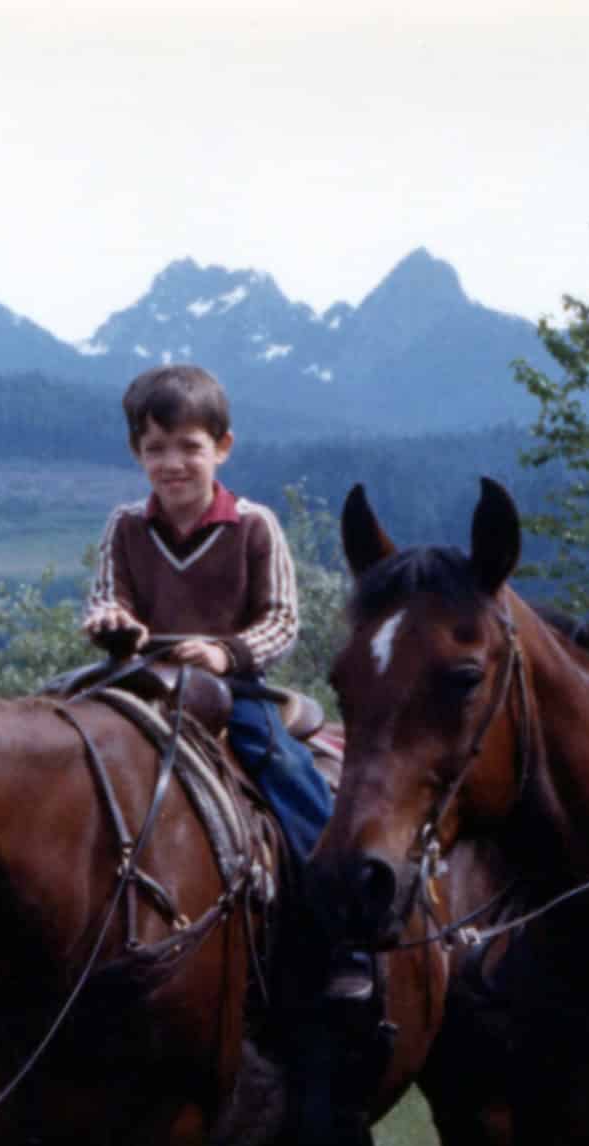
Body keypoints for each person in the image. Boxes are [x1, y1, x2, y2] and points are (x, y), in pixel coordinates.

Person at [83, 363, 373, 1003]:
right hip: (141, 685)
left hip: (233, 690)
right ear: (137, 454)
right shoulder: (125, 526)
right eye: (156, 449)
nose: (173, 463)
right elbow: (108, 597)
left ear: (222, 447)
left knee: (286, 773)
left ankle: (346, 924)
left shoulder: (253, 526)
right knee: (61, 743)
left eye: (189, 446)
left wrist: (225, 653)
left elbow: (282, 620)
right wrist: (114, 624)